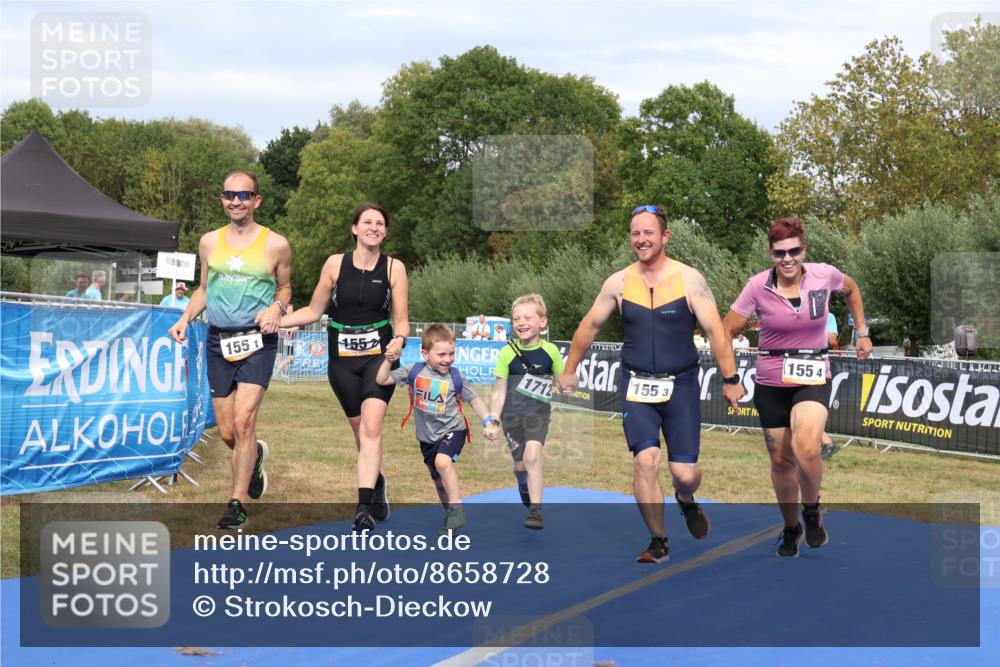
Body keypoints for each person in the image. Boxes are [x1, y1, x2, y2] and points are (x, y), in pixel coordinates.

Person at [556, 205, 743, 563]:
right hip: (636, 384)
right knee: (645, 461)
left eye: (648, 233)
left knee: (684, 474)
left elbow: (715, 331)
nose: (641, 240)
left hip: (682, 384)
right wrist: (570, 368)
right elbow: (589, 325)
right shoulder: (619, 282)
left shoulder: (689, 279)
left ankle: (686, 500)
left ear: (665, 236)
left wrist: (730, 378)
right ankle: (658, 539)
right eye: (635, 234)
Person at [722, 217, 871, 557]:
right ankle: (791, 528)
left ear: (805, 249)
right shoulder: (757, 286)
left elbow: (852, 289)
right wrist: (730, 379)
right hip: (771, 379)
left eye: (794, 251)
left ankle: (812, 510)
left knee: (806, 446)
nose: (787, 259)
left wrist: (861, 332)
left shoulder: (824, 274)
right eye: (779, 253)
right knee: (781, 460)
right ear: (771, 254)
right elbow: (724, 331)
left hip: (813, 374)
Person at [169, 170, 292, 529]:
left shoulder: (276, 244)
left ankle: (236, 503)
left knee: (243, 421)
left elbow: (285, 289)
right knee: (226, 431)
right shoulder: (209, 242)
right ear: (222, 199)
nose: (235, 201)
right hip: (217, 340)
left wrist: (277, 309)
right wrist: (185, 317)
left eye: (243, 195)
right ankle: (252, 458)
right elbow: (204, 289)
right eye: (228, 195)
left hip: (258, 341)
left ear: (257, 200)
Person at [278, 202, 408, 532]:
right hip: (342, 360)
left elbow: (402, 321)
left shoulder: (394, 268)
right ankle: (376, 482)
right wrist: (277, 321)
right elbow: (312, 310)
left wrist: (400, 341)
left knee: (372, 427)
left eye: (380, 223)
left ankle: (363, 508)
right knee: (359, 432)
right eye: (367, 222)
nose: (374, 227)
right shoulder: (335, 264)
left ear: (385, 232)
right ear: (354, 228)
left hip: (381, 358)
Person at [377, 324, 490, 534]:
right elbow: (382, 379)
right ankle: (451, 520)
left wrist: (488, 422)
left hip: (453, 430)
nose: (448, 359)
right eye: (441, 354)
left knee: (443, 462)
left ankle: (457, 509)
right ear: (425, 354)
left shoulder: (455, 376)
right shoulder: (414, 371)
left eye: (451, 353)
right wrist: (388, 360)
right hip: (427, 439)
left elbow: (474, 400)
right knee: (439, 483)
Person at [485, 294, 565, 530]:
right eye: (516, 318)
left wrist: (568, 381)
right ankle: (522, 484)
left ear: (542, 322)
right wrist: (493, 420)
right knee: (520, 466)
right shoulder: (506, 354)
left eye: (527, 317)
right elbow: (499, 392)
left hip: (538, 416)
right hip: (512, 418)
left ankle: (536, 511)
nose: (521, 322)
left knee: (532, 458)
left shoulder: (551, 351)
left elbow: (563, 381)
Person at [820, 313, 841, 460]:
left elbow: (832, 339)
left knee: (811, 412)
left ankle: (827, 443)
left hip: (818, 370)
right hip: (794, 368)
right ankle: (827, 443)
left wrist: (810, 328)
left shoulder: (829, 316)